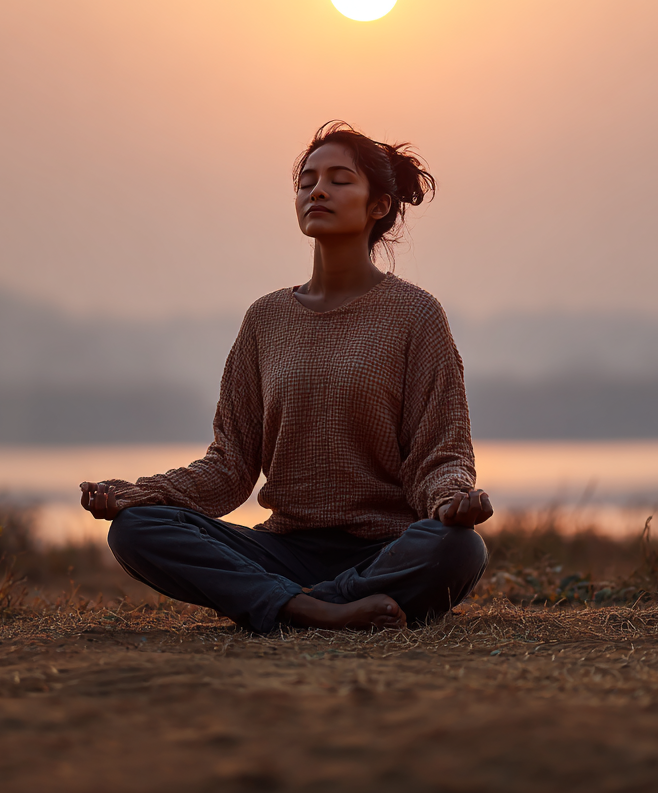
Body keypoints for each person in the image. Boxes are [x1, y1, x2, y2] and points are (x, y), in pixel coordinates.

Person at [80, 121, 492, 632]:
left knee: (458, 549)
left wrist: (452, 499)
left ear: (378, 206)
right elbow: (230, 465)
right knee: (136, 530)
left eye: (340, 180)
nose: (317, 190)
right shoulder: (266, 318)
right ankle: (314, 609)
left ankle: (301, 604)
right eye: (306, 181)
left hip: (386, 550)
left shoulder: (415, 315)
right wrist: (139, 494)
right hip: (282, 549)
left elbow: (439, 453)